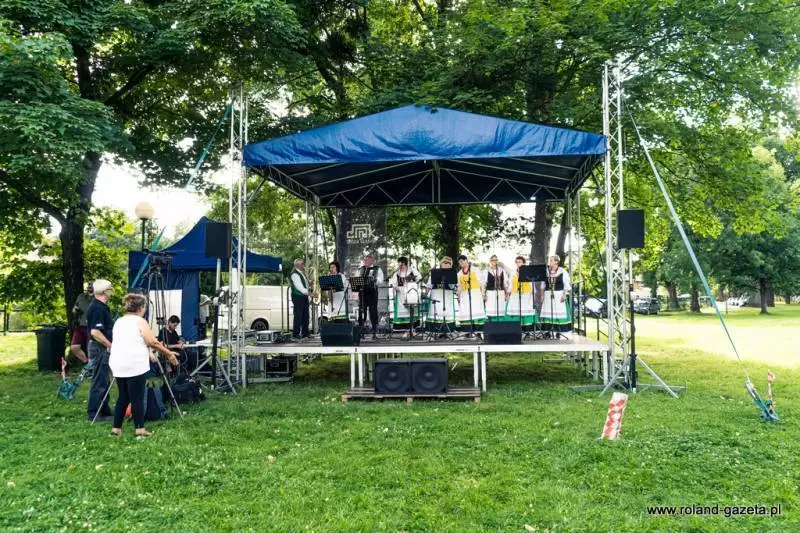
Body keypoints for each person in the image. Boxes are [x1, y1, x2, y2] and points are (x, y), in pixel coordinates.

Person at [109, 293, 179, 438]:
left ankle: (116, 429)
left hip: (118, 363)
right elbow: (152, 342)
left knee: (123, 396)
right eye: (145, 306)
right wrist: (169, 354)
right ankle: (139, 430)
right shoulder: (140, 321)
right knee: (137, 398)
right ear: (141, 307)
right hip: (134, 364)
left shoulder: (119, 321)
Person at [86, 279, 115, 422]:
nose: (112, 291)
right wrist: (109, 345)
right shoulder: (97, 308)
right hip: (99, 348)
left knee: (104, 379)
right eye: (110, 289)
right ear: (105, 291)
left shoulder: (101, 307)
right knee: (99, 381)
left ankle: (104, 410)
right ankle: (94, 413)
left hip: (101, 348)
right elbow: (95, 332)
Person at [540, 255, 572, 334]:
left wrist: (564, 294)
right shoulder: (546, 271)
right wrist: (542, 295)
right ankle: (548, 331)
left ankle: (558, 331)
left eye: (551, 260)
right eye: (550, 260)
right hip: (548, 295)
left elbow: (566, 284)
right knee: (548, 312)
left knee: (558, 312)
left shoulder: (562, 271)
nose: (550, 262)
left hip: (558, 294)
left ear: (556, 262)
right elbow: (543, 284)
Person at [389, 256, 421, 332]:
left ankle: (412, 328)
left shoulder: (412, 270)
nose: (398, 265)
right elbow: (394, 284)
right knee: (402, 309)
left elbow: (419, 278)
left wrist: (412, 282)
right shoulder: (396, 273)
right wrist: (397, 288)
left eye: (399, 263)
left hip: (411, 293)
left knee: (412, 310)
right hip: (401, 294)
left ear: (403, 263)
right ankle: (403, 328)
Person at [425, 256, 457, 332]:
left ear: (451, 265)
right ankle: (434, 329)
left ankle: (447, 329)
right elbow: (429, 285)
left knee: (446, 312)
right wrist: (425, 294)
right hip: (436, 295)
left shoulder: (453, 273)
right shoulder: (434, 273)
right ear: (441, 263)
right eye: (445, 262)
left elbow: (454, 286)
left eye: (449, 263)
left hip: (447, 296)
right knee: (436, 311)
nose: (446, 264)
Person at [357, 254, 384, 339]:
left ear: (372, 261)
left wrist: (373, 279)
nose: (366, 261)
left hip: (372, 292)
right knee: (362, 310)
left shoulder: (377, 269)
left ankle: (374, 331)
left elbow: (381, 280)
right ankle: (361, 330)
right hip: (362, 292)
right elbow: (356, 279)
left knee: (373, 311)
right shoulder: (361, 269)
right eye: (365, 260)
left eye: (368, 260)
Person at [456, 254, 486, 331]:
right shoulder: (459, 274)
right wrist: (458, 297)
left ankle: (478, 331)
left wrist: (483, 294)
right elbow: (459, 286)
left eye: (462, 262)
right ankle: (467, 330)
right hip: (464, 295)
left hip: (475, 293)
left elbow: (482, 282)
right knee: (466, 312)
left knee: (476, 311)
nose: (461, 264)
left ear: (466, 260)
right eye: (459, 263)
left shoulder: (475, 270)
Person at [289, 259, 317, 339]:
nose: (303, 265)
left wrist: (310, 282)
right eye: (302, 264)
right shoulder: (295, 274)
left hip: (303, 296)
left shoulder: (301, 273)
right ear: (297, 265)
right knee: (298, 315)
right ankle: (296, 334)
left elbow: (305, 283)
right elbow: (299, 287)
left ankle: (305, 333)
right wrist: (309, 293)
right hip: (298, 296)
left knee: (305, 315)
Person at [506, 255, 537, 327]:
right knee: (516, 310)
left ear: (523, 263)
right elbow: (511, 283)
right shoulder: (513, 272)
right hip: (515, 293)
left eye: (519, 262)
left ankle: (527, 327)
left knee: (525, 310)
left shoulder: (528, 271)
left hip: (526, 293)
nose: (518, 263)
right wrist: (508, 293)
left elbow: (532, 283)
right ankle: (517, 326)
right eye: (516, 262)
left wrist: (533, 293)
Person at [69, 282, 93, 364]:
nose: (90, 286)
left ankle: (92, 367)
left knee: (90, 349)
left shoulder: (98, 298)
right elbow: (75, 308)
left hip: (91, 326)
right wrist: (75, 310)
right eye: (89, 284)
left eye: (92, 285)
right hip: (79, 325)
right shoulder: (81, 296)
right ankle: (86, 363)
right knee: (74, 347)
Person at [482, 255, 511, 321]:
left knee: (500, 309)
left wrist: (506, 293)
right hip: (490, 293)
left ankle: (499, 324)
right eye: (493, 260)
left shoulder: (501, 270)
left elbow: (505, 283)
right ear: (490, 261)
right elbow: (483, 284)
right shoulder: (486, 271)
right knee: (490, 309)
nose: (494, 262)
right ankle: (491, 323)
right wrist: (483, 294)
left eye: (496, 260)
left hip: (500, 293)